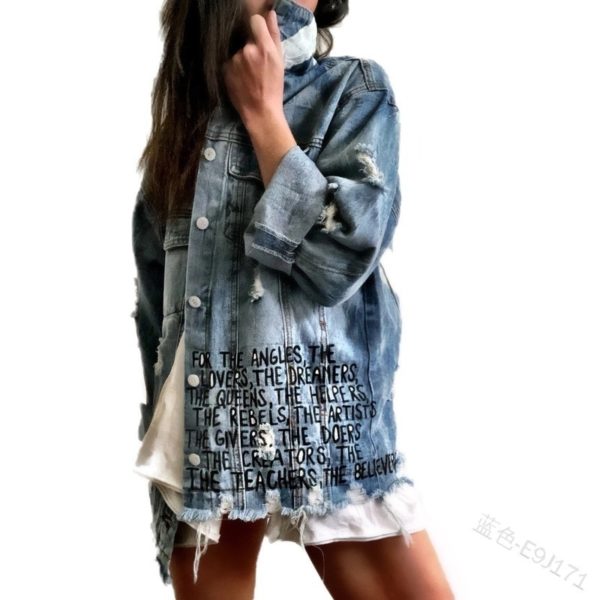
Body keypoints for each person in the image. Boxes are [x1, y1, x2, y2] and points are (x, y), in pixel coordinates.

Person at [131, 0, 455, 598]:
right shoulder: (185, 126)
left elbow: (340, 261)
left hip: (322, 423)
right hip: (204, 427)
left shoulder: (353, 89)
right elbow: (157, 318)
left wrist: (265, 116)